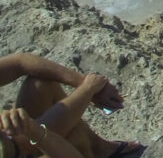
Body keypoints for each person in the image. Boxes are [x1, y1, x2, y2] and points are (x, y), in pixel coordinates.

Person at [0, 52, 143, 157]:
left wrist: (82, 82)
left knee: (40, 84)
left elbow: (19, 62)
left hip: (16, 146)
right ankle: (92, 150)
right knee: (69, 138)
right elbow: (26, 145)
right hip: (18, 148)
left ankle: (98, 148)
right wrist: (88, 89)